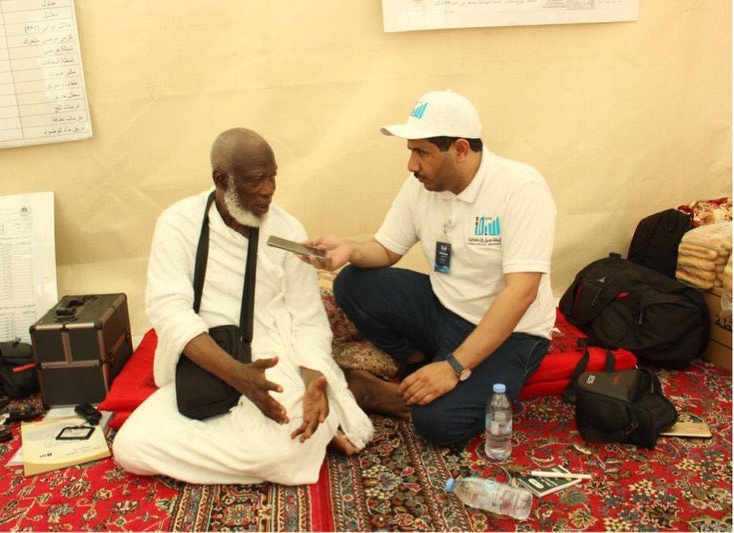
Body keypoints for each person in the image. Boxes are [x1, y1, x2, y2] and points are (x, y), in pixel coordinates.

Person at [113, 128, 373, 485]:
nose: (268, 190)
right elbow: (169, 311)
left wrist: (314, 378)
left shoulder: (286, 230)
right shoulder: (179, 224)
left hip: (274, 357)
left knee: (287, 444)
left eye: (273, 177)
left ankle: (316, 422)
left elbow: (308, 318)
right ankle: (316, 432)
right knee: (130, 446)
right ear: (222, 180)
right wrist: (236, 374)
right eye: (255, 180)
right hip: (207, 360)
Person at [305, 90, 556, 447]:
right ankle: (417, 361)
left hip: (512, 332)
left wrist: (454, 367)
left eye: (421, 152)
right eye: (411, 151)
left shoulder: (520, 188)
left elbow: (522, 291)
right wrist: (350, 249)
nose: (411, 164)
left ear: (460, 149)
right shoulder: (421, 185)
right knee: (352, 283)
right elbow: (385, 249)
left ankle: (407, 386)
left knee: (438, 425)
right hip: (443, 310)